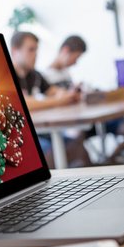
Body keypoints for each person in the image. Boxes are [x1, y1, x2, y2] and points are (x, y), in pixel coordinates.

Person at [10, 31, 91, 167]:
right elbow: (21, 104)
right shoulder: (6, 76)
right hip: (19, 134)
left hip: (40, 130)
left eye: (36, 49)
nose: (35, 54)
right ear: (14, 51)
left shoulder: (35, 75)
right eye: (31, 49)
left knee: (76, 141)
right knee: (51, 149)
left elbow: (54, 91)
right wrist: (59, 101)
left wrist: (68, 94)